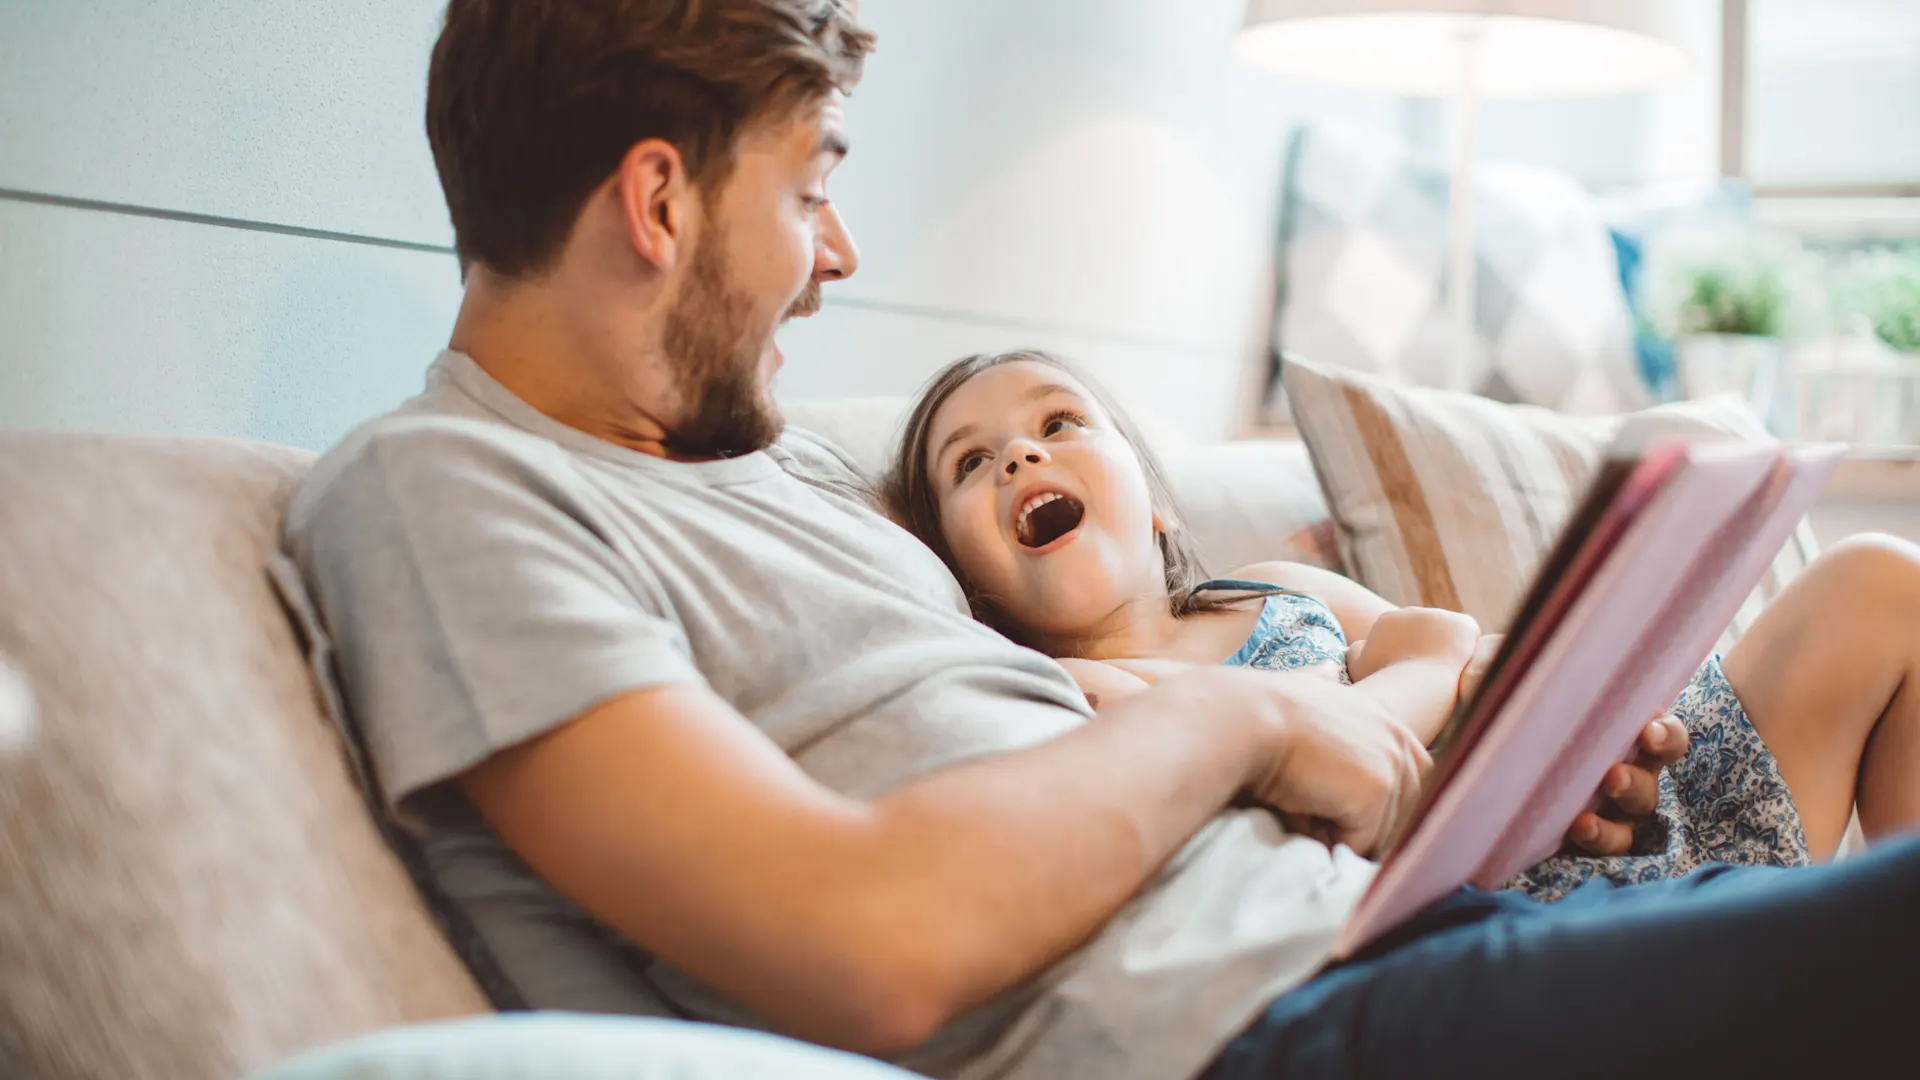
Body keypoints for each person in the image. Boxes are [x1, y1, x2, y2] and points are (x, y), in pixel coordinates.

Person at [283, 2, 1920, 1078]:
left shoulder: (763, 476)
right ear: (660, 203)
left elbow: (1037, 726)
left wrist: (1490, 758)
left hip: (1398, 934)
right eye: (808, 192)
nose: (837, 252)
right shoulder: (441, 496)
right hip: (1262, 1034)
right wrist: (1261, 715)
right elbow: (872, 941)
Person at [883, 348, 1920, 897]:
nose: (1022, 456)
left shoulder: (1273, 589)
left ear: (1155, 501)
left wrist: (1588, 722)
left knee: (1881, 582)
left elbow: (1462, 650)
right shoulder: (1067, 695)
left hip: (1604, 821)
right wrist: (1425, 663)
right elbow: (1408, 659)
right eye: (972, 463)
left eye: (1060, 423)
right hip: (1504, 907)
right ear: (964, 581)